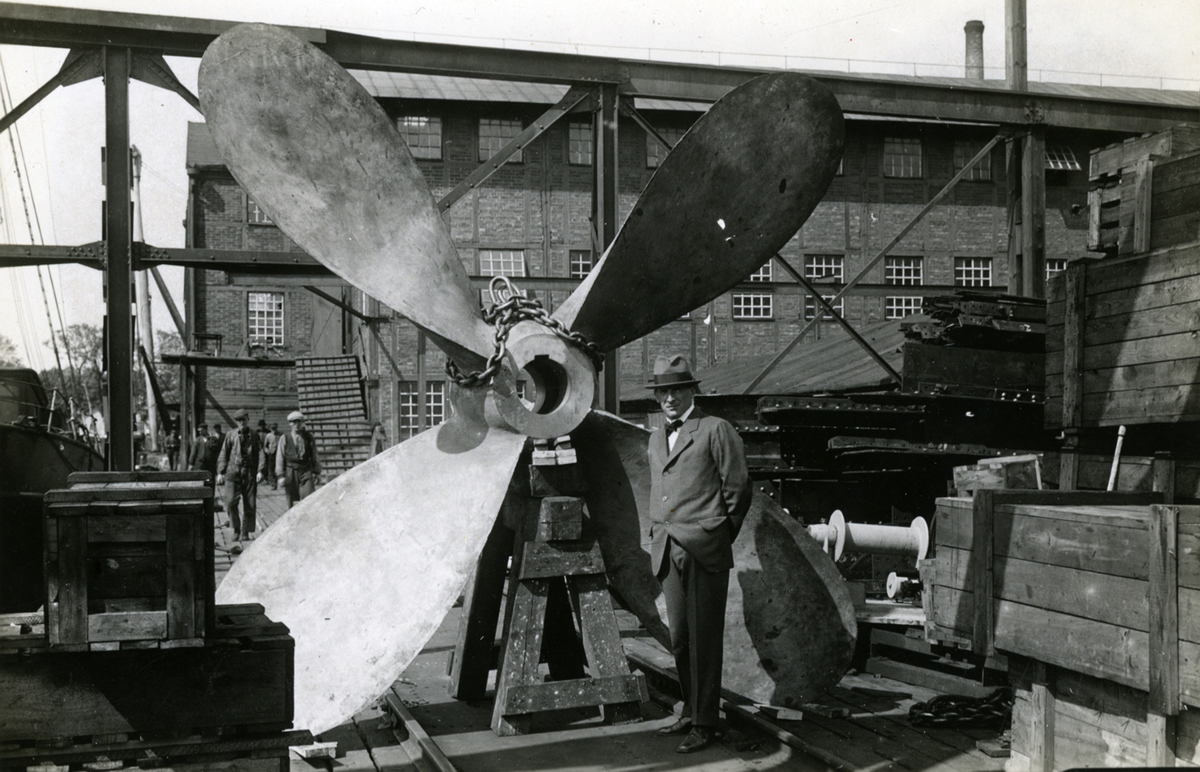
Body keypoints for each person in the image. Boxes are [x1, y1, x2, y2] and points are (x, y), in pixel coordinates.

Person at [646, 355, 752, 754]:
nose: (670, 398)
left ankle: (705, 722)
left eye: (677, 390)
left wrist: (716, 534)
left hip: (703, 549)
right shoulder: (656, 437)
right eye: (663, 392)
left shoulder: (715, 429)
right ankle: (690, 710)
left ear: (692, 391)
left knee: (704, 640)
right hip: (666, 546)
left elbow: (738, 489)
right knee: (679, 638)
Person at [217, 409, 267, 553]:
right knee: (230, 502)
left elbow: (261, 453)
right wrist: (220, 472)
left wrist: (260, 470)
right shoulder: (230, 435)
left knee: (250, 503)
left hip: (249, 472)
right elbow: (224, 453)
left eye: (243, 419)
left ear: (247, 419)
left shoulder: (254, 435)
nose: (241, 422)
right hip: (233, 471)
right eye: (238, 420)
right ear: (236, 422)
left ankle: (245, 531)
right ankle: (236, 528)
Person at [276, 410, 321, 508]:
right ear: (290, 423)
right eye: (293, 422)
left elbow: (314, 455)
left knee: (309, 499)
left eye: (299, 421)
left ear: (302, 422)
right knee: (291, 500)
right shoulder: (284, 438)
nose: (296, 424)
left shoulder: (308, 437)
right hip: (291, 471)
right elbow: (280, 457)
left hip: (306, 471)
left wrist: (317, 472)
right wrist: (280, 476)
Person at [263, 423, 279, 489]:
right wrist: (267, 451)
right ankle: (273, 484)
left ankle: (281, 483)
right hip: (271, 454)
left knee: (279, 468)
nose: (274, 430)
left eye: (275, 428)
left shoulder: (280, 435)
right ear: (270, 429)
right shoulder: (268, 436)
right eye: (272, 428)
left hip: (278, 454)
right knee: (271, 469)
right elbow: (265, 446)